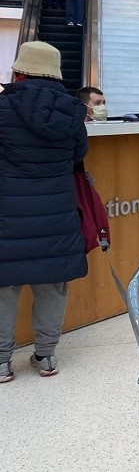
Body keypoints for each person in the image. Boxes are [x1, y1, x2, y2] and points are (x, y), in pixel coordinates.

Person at [0, 41, 88, 383]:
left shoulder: (3, 109)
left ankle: (2, 362)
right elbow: (78, 155)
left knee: (4, 288)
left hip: (7, 215)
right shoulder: (71, 113)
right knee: (52, 285)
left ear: (19, 72)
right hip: (56, 212)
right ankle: (46, 354)